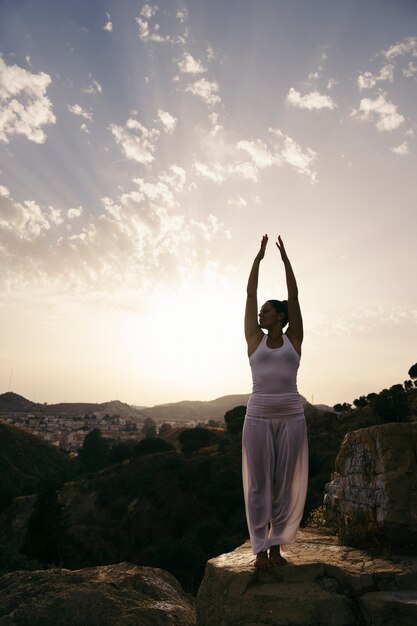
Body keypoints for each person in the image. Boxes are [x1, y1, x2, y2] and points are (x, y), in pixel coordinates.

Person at [243, 234, 308, 570]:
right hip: (257, 417)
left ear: (280, 316)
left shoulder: (294, 339)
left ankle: (277, 546)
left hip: (292, 416)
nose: (261, 313)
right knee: (259, 485)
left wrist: (285, 262)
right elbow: (250, 294)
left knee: (283, 485)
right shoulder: (254, 338)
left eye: (267, 311)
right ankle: (259, 549)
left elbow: (294, 296)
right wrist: (258, 260)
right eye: (261, 310)